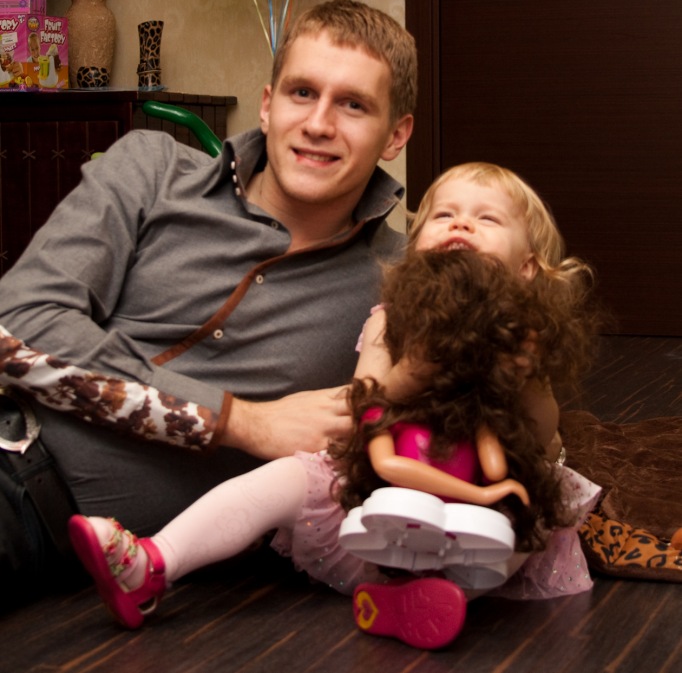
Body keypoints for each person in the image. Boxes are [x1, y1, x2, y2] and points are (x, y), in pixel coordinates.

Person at [65, 162, 602, 648]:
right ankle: (152, 561)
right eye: (443, 214)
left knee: (524, 513)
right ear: (416, 250)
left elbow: (542, 434)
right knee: (279, 480)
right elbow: (366, 399)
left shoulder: (526, 337)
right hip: (380, 502)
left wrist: (526, 384)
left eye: (486, 218)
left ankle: (435, 597)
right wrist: (416, 371)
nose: (461, 223)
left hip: (472, 507)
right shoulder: (393, 319)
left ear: (527, 267)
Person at [0, 0, 416, 605]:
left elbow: (519, 403)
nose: (319, 123)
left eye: (353, 105)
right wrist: (245, 422)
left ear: (396, 135)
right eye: (302, 93)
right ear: (268, 105)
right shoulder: (151, 170)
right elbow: (16, 327)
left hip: (90, 556)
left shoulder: (407, 280)